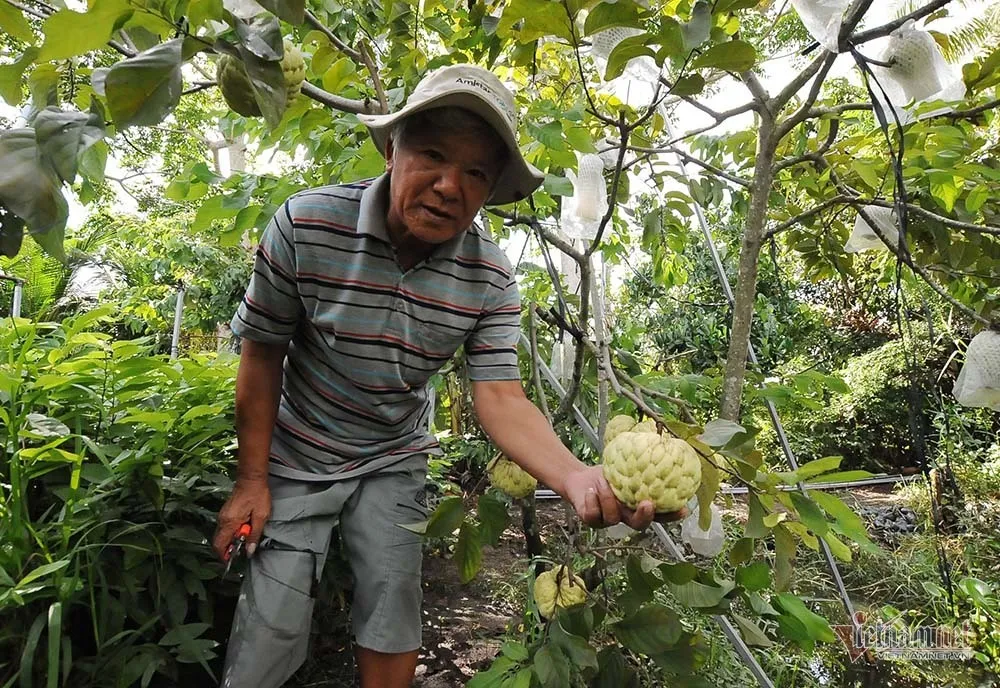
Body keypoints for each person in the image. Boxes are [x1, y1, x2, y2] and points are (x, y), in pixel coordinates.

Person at [214, 64, 673, 688]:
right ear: (390, 148)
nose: (448, 186)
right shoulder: (306, 226)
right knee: (270, 620)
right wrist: (251, 481)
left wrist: (576, 477)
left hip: (394, 453)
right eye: (431, 154)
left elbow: (501, 397)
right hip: (302, 449)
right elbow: (262, 354)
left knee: (392, 607)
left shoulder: (489, 279)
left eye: (477, 172)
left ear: (490, 191)